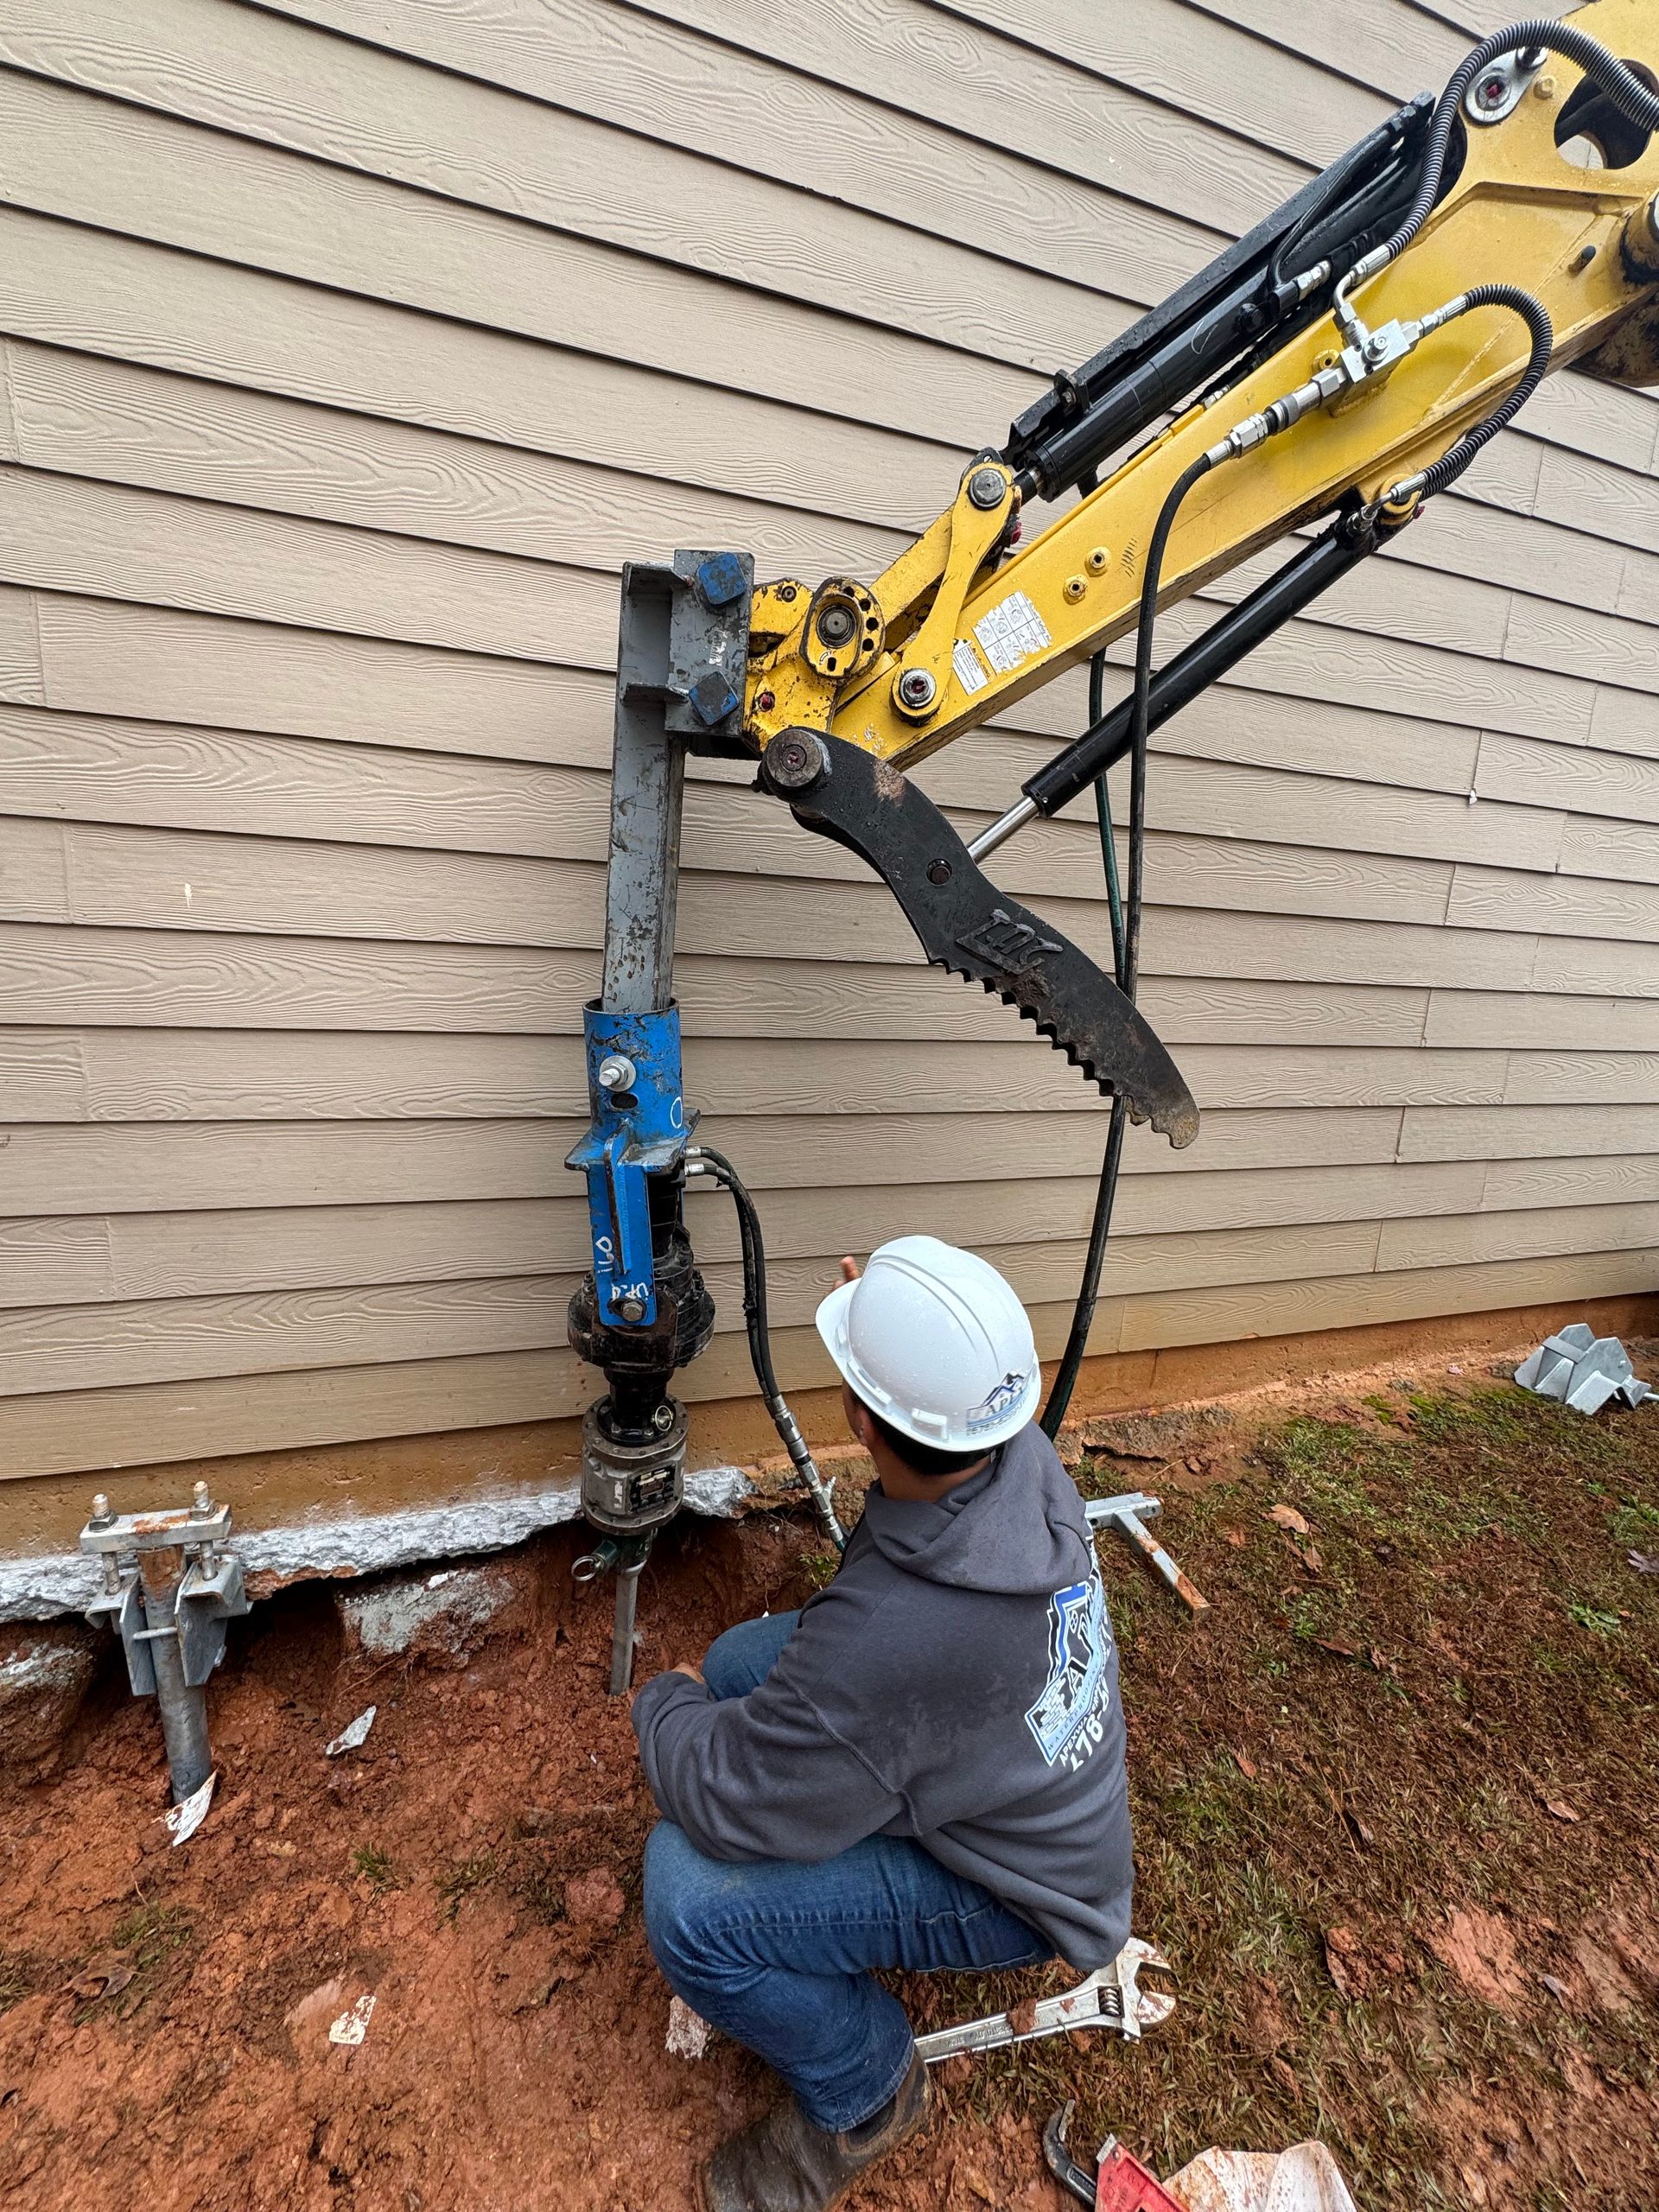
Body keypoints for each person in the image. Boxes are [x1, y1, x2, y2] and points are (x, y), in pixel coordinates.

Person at [632, 1236, 1133, 2212]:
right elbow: (937, 1390)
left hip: (1013, 1889)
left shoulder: (890, 1641)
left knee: (688, 1892)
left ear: (860, 1418)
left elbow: (732, 1801)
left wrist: (664, 1702)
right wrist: (887, 1318)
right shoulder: (1011, 1449)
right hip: (1017, 1779)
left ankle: (869, 2085)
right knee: (745, 1662)